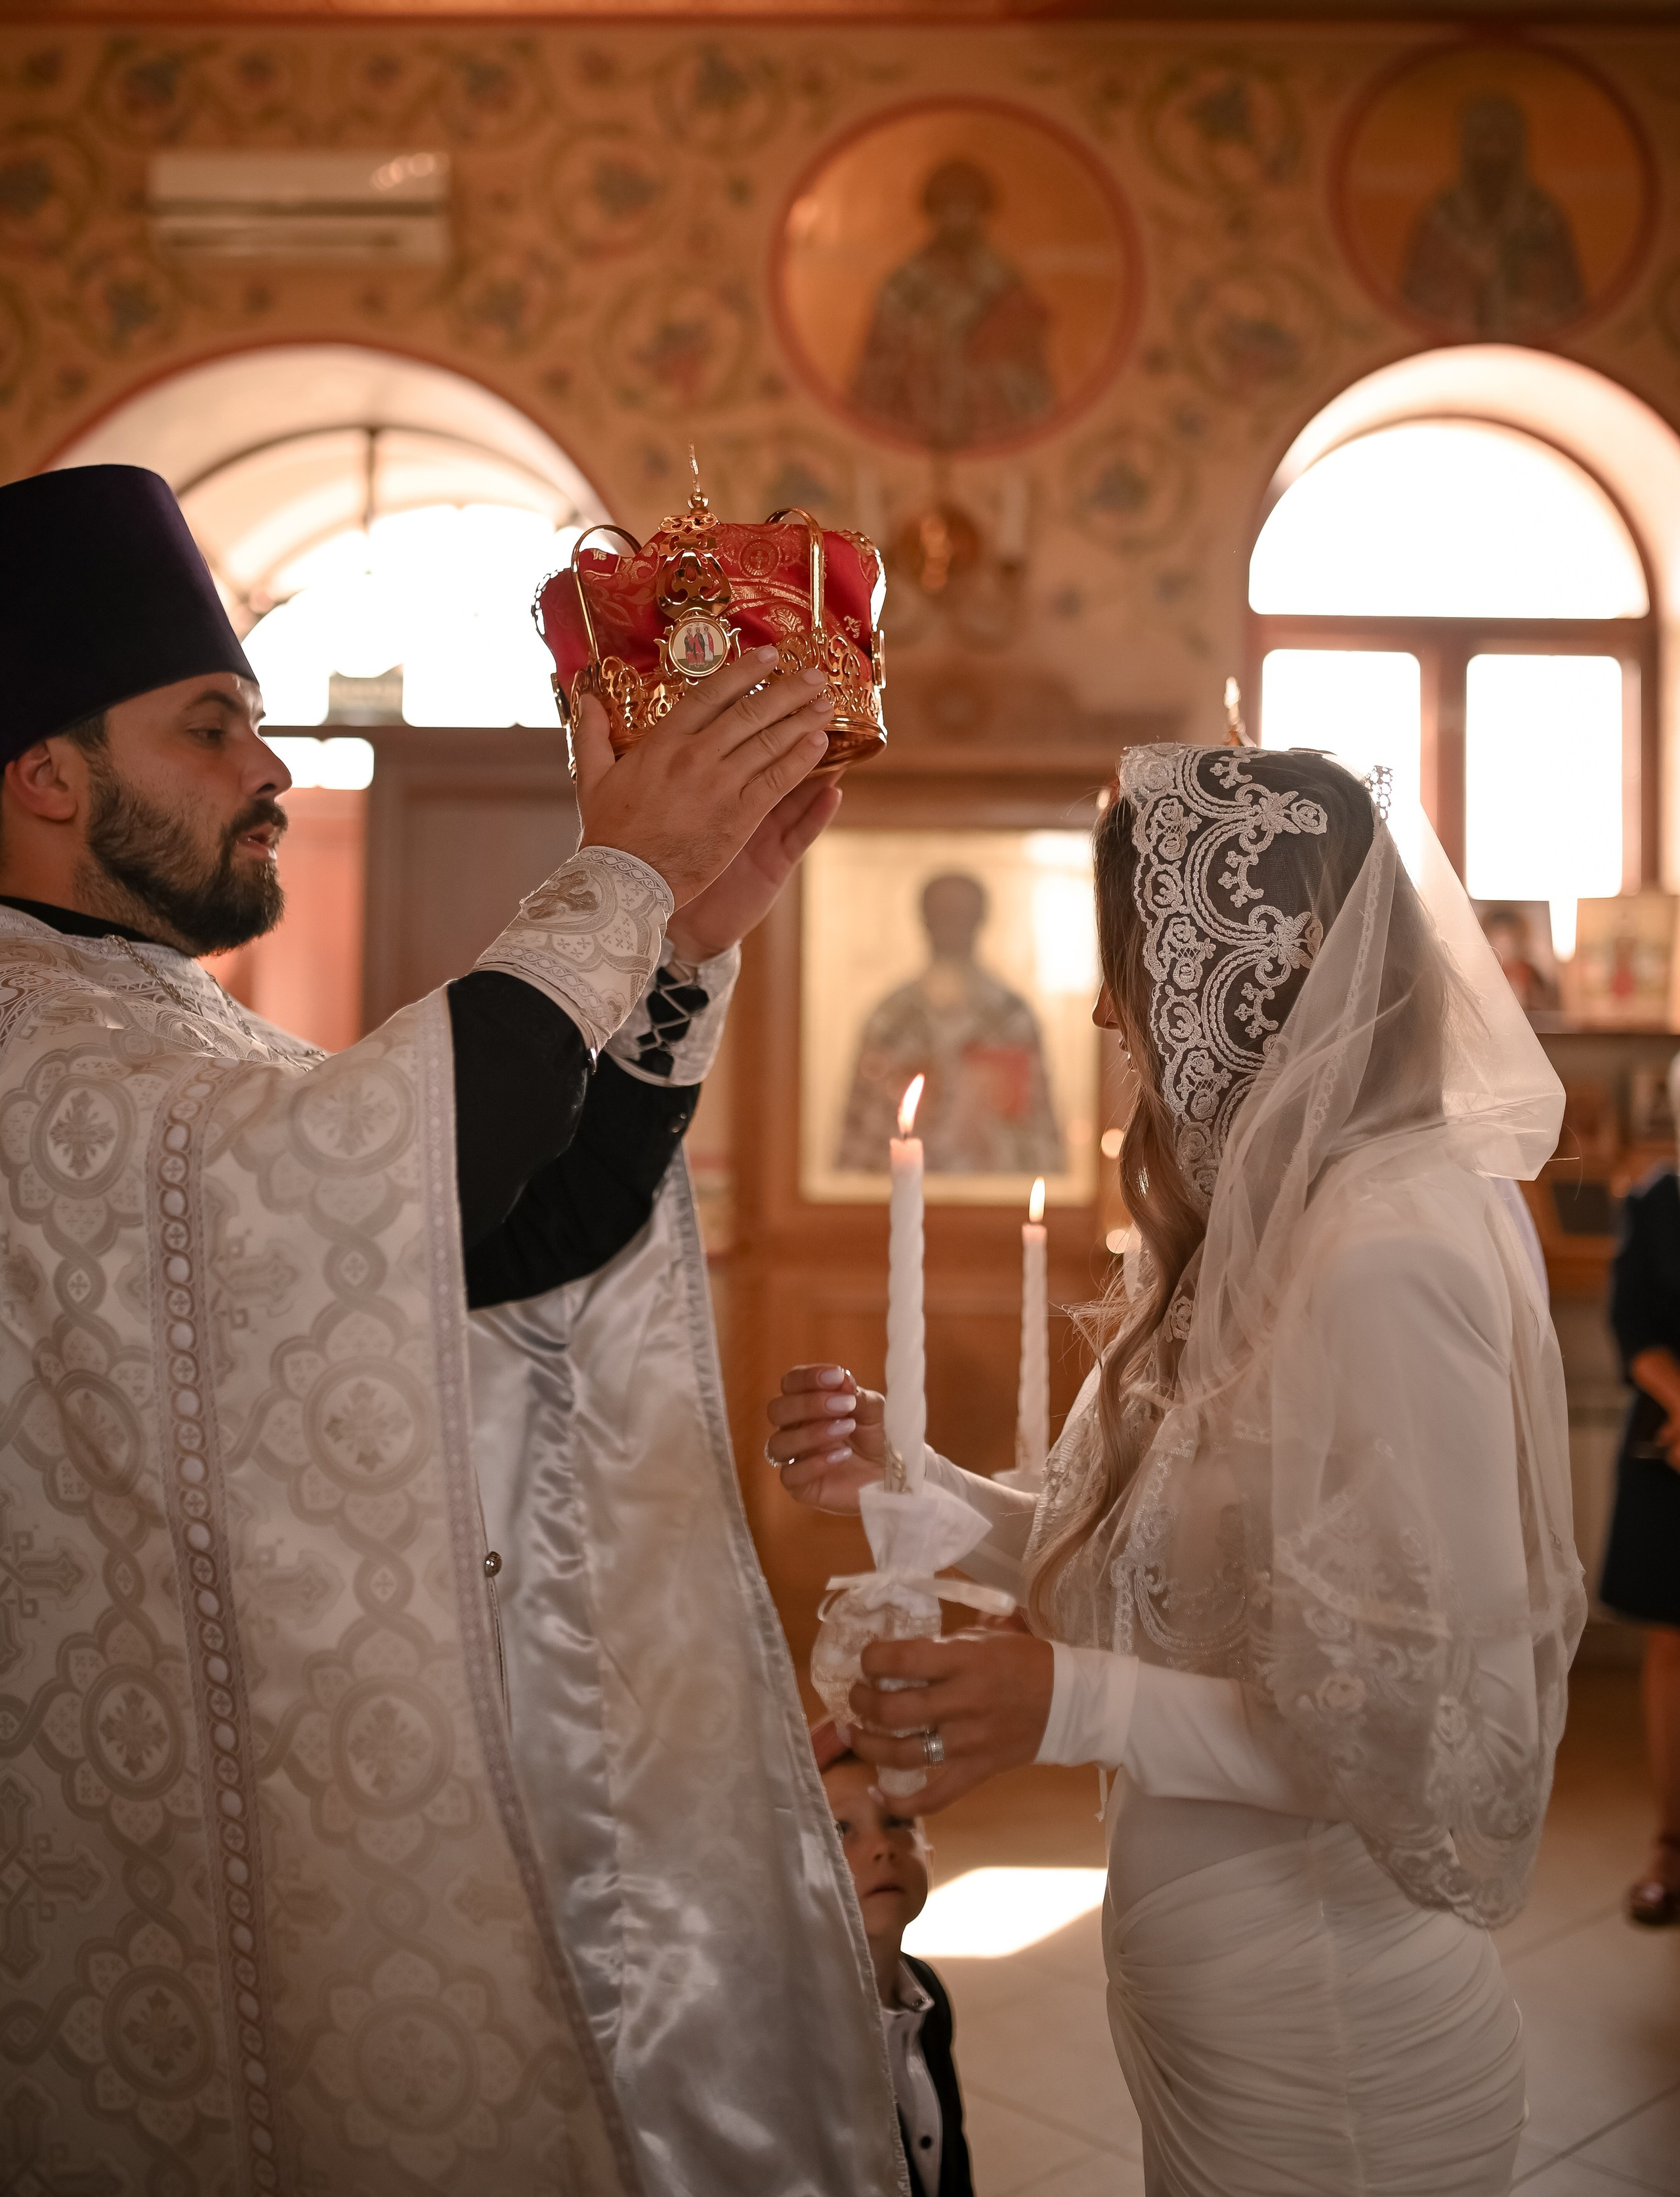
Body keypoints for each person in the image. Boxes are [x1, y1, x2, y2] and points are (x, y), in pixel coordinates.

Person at [0, 465, 904, 2197]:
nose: (271, 773)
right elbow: (372, 1170)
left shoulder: (163, 1026)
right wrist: (621, 873)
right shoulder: (31, 1048)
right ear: (46, 772)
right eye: (210, 729)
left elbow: (502, 1243)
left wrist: (681, 943)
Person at [770, 742, 1586, 2196]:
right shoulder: (1283, 1221)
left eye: (1127, 959)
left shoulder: (1388, 1250)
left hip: (1331, 2042)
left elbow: (1411, 1733)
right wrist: (919, 1483)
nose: (1097, 1005)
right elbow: (1173, 1583)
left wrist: (1065, 1700)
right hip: (1230, 2012)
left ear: (1246, 965)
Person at [813, 1718, 974, 2197]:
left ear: (931, 1853)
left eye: (898, 1821)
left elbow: (949, 2153)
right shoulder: (800, 2036)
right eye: (842, 1830)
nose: (882, 1848)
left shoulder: (928, 1992)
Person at [1601, 1050, 1680, 1926]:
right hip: (1671, 1442)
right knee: (1672, 1641)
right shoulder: (1655, 1201)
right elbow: (1635, 1329)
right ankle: (1670, 1840)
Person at [837, 870, 1062, 1176]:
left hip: (991, 1192)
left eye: (961, 916)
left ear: (980, 920)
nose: (951, 927)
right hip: (899, 1187)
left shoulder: (1011, 1018)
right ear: (924, 920)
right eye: (941, 915)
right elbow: (861, 1133)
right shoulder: (892, 1019)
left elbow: (1037, 1131)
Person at [850, 156, 1055, 452]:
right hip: (916, 421)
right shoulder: (905, 284)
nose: (959, 218)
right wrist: (918, 356)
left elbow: (1031, 369)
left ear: (982, 212)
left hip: (992, 426)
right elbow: (875, 371)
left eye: (968, 208)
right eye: (948, 209)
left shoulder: (1003, 281)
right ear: (933, 214)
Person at [1400, 91, 1585, 338]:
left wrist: (1521, 287)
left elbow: (1567, 299)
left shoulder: (1542, 216)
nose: (1492, 152)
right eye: (1483, 139)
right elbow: (1416, 296)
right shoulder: (1442, 216)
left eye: (1503, 140)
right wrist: (1464, 277)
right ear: (1466, 145)